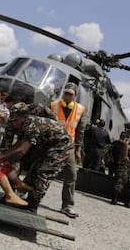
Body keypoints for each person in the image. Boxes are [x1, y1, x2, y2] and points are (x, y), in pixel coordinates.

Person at [0, 102, 73, 213]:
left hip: (61, 146)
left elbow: (22, 150)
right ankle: (15, 197)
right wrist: (2, 155)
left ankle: (32, 205)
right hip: (44, 145)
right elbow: (17, 144)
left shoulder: (32, 123)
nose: (14, 124)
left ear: (25, 117)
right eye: (12, 120)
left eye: (16, 120)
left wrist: (0, 159)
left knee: (43, 173)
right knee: (33, 170)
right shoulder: (21, 123)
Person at [50, 82, 87, 218]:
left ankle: (67, 205)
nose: (67, 96)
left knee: (71, 174)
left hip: (69, 146)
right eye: (66, 93)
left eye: (70, 94)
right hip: (52, 144)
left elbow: (80, 131)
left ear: (75, 96)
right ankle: (26, 193)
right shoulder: (54, 105)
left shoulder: (80, 109)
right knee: (41, 168)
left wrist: (78, 149)